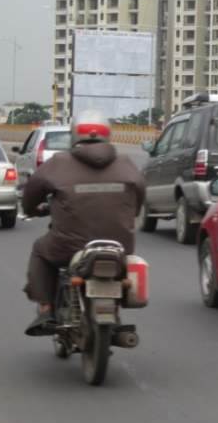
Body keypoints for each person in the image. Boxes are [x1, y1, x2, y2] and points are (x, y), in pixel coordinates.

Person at [22, 110, 145, 336]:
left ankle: (46, 308)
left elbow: (32, 192)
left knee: (40, 250)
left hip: (69, 246)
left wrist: (31, 209)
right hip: (120, 246)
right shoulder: (126, 163)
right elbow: (139, 197)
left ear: (74, 136)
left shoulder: (59, 163)